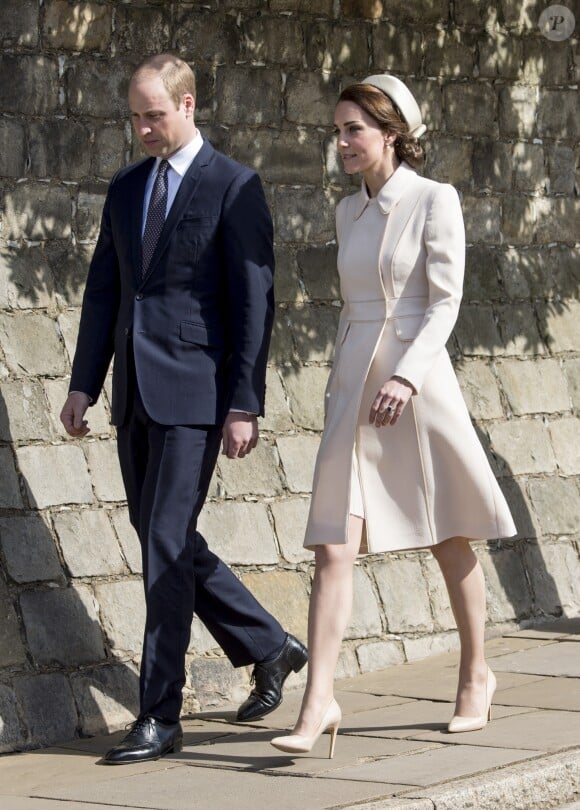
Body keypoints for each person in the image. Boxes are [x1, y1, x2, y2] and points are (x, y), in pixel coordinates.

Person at [60, 53, 307, 765]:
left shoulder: (235, 187)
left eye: (153, 115)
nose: (141, 128)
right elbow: (104, 291)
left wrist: (244, 403)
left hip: (198, 397)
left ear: (188, 104)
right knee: (160, 536)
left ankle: (159, 714)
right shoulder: (126, 188)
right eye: (134, 116)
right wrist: (85, 383)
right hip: (135, 392)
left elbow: (252, 303)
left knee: (165, 540)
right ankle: (268, 644)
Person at [271, 74, 516, 758]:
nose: (342, 141)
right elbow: (354, 308)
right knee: (332, 545)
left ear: (392, 134)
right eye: (338, 130)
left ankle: (476, 674)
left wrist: (406, 375)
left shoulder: (435, 200)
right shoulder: (348, 212)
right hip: (354, 385)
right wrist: (340, 383)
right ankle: (320, 699)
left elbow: (445, 302)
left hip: (416, 383)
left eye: (354, 129)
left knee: (450, 534)